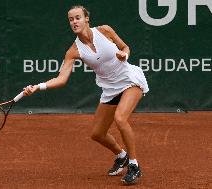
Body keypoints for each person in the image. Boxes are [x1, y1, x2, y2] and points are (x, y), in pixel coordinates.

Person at [23, 5, 149, 185]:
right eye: (71, 19)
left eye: (77, 18)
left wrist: (124, 55)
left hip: (129, 81)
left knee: (120, 119)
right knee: (97, 134)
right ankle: (122, 156)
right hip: (110, 89)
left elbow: (125, 47)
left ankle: (134, 166)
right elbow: (61, 79)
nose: (74, 22)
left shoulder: (105, 30)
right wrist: (38, 86)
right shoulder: (74, 51)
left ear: (86, 18)